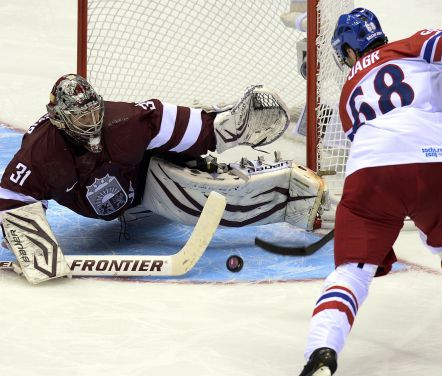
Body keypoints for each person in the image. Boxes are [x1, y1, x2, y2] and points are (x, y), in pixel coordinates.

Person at [298, 8, 442, 376]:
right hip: (433, 164)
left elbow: (383, 147)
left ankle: (322, 351)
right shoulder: (413, 46)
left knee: (352, 272)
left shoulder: (347, 93)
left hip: (369, 176)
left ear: (347, 51)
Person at [0, 74, 295, 284]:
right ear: (59, 119)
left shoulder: (123, 119)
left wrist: (220, 128)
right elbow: (12, 195)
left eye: (94, 112)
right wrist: (28, 241)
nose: (93, 123)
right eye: (82, 118)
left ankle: (290, 196)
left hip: (145, 180)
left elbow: (166, 119)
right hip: (118, 199)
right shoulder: (40, 154)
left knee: (200, 193)